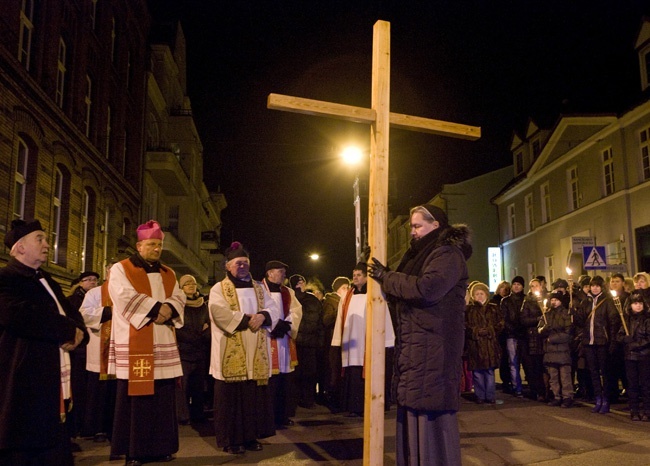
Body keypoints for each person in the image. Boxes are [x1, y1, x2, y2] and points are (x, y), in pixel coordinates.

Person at [368, 204, 472, 466]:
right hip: (416, 348)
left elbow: (427, 289)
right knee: (413, 414)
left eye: (417, 226)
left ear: (435, 225)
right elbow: (398, 290)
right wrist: (372, 271)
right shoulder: (419, 255)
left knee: (432, 421)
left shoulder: (448, 254)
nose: (413, 232)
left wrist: (387, 277)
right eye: (412, 226)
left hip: (434, 348)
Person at [0, 219, 87, 466]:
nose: (47, 245)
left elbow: (71, 312)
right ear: (19, 247)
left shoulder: (46, 279)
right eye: (40, 239)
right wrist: (67, 329)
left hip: (53, 374)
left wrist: (78, 331)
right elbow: (17, 314)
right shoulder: (6, 278)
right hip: (23, 376)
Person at [108, 220, 186, 466]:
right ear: (139, 245)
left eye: (159, 244)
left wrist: (169, 309)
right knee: (136, 400)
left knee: (162, 399)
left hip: (162, 340)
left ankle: (162, 447)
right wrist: (157, 310)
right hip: (135, 341)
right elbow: (122, 295)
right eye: (152, 244)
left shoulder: (169, 272)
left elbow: (179, 296)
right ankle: (134, 451)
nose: (156, 249)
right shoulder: (122, 268)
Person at [208, 242, 279, 454]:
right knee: (231, 398)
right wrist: (245, 320)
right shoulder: (219, 288)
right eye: (238, 263)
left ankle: (250, 437)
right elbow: (217, 312)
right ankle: (231, 440)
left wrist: (263, 316)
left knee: (252, 398)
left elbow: (272, 308)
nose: (243, 267)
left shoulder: (259, 288)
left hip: (255, 350)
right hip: (230, 348)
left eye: (246, 263)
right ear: (228, 266)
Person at [332, 263, 395, 417]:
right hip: (351, 342)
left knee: (370, 374)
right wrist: (337, 340)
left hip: (369, 343)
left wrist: (387, 340)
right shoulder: (347, 296)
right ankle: (354, 407)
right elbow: (340, 318)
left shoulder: (375, 294)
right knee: (353, 374)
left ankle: (372, 406)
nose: (355, 277)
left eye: (359, 274)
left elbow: (384, 316)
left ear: (367, 278)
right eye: (354, 274)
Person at [79, 263, 117, 443]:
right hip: (99, 348)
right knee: (98, 392)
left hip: (121, 350)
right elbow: (84, 313)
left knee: (117, 391)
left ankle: (115, 427)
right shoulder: (94, 293)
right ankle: (97, 428)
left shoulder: (126, 293)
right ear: (107, 273)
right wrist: (108, 311)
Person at [263, 261, 302, 428]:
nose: (284, 275)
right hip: (266, 338)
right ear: (270, 273)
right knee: (269, 381)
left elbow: (296, 311)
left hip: (284, 340)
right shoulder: (259, 290)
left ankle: (283, 415)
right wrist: (272, 325)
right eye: (281, 272)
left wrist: (287, 324)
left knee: (284, 381)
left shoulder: (288, 292)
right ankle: (267, 417)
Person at [573, 275, 619, 414]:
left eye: (597, 285)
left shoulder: (607, 301)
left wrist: (612, 341)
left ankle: (606, 399)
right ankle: (598, 397)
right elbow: (581, 322)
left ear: (601, 287)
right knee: (593, 371)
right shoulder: (586, 302)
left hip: (602, 341)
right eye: (592, 285)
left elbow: (613, 322)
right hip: (589, 341)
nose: (594, 288)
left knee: (604, 372)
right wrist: (574, 313)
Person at [67, 270, 100, 442]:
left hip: (93, 349)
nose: (93, 282)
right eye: (89, 280)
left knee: (91, 389)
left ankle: (90, 423)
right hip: (79, 351)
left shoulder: (99, 297)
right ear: (80, 283)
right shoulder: (73, 301)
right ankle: (77, 424)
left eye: (95, 280)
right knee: (78, 388)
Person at [175, 274, 211, 424]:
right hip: (183, 351)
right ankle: (182, 415)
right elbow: (177, 327)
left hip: (200, 350)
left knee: (198, 385)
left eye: (193, 283)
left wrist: (203, 333)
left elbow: (209, 324)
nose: (191, 286)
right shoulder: (178, 305)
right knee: (182, 387)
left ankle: (197, 413)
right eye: (187, 284)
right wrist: (194, 334)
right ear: (181, 288)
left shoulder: (203, 305)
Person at [289, 273, 324, 410]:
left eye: (302, 282)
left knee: (310, 373)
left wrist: (320, 342)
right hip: (295, 342)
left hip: (310, 342)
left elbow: (320, 323)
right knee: (295, 374)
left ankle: (308, 399)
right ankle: (296, 399)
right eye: (297, 283)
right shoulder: (290, 298)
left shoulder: (313, 300)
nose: (300, 285)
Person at [465, 282, 504, 404]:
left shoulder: (493, 308)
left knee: (489, 371)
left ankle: (490, 396)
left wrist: (489, 330)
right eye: (477, 294)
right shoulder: (469, 310)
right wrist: (476, 331)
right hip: (475, 345)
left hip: (489, 345)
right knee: (477, 372)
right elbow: (465, 325)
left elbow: (501, 323)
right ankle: (480, 396)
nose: (479, 296)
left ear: (486, 294)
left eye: (481, 293)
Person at [616, 291, 650, 421]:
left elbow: (648, 338)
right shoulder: (626, 319)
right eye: (635, 303)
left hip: (644, 356)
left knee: (646, 384)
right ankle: (634, 410)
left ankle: (647, 410)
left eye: (640, 303)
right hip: (630, 357)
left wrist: (635, 345)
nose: (638, 306)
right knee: (632, 385)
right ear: (630, 305)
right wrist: (625, 339)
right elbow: (618, 336)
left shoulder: (647, 319)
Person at [538, 290, 574, 408]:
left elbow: (568, 333)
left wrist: (552, 338)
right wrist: (544, 329)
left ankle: (567, 397)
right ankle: (556, 396)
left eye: (556, 300)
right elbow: (540, 330)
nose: (553, 302)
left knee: (565, 376)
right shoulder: (546, 314)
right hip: (550, 351)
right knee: (553, 376)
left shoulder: (566, 314)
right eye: (552, 300)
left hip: (562, 350)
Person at [321, 276, 350, 411]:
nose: (347, 290)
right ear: (337, 290)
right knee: (333, 371)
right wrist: (338, 313)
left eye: (348, 287)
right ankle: (332, 400)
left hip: (343, 340)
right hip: (332, 341)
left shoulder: (347, 300)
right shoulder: (331, 301)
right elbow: (326, 320)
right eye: (344, 287)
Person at [520, 278, 547, 401]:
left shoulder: (547, 299)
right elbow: (524, 320)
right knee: (535, 366)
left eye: (537, 285)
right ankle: (538, 391)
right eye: (532, 286)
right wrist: (538, 319)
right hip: (533, 338)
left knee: (545, 366)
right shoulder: (527, 302)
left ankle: (548, 390)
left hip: (545, 338)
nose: (535, 288)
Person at [500, 275, 526, 397]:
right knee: (513, 362)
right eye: (514, 284)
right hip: (511, 335)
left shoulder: (526, 300)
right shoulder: (505, 301)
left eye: (519, 284)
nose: (516, 286)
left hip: (524, 335)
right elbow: (504, 319)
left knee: (526, 362)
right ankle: (517, 387)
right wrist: (514, 330)